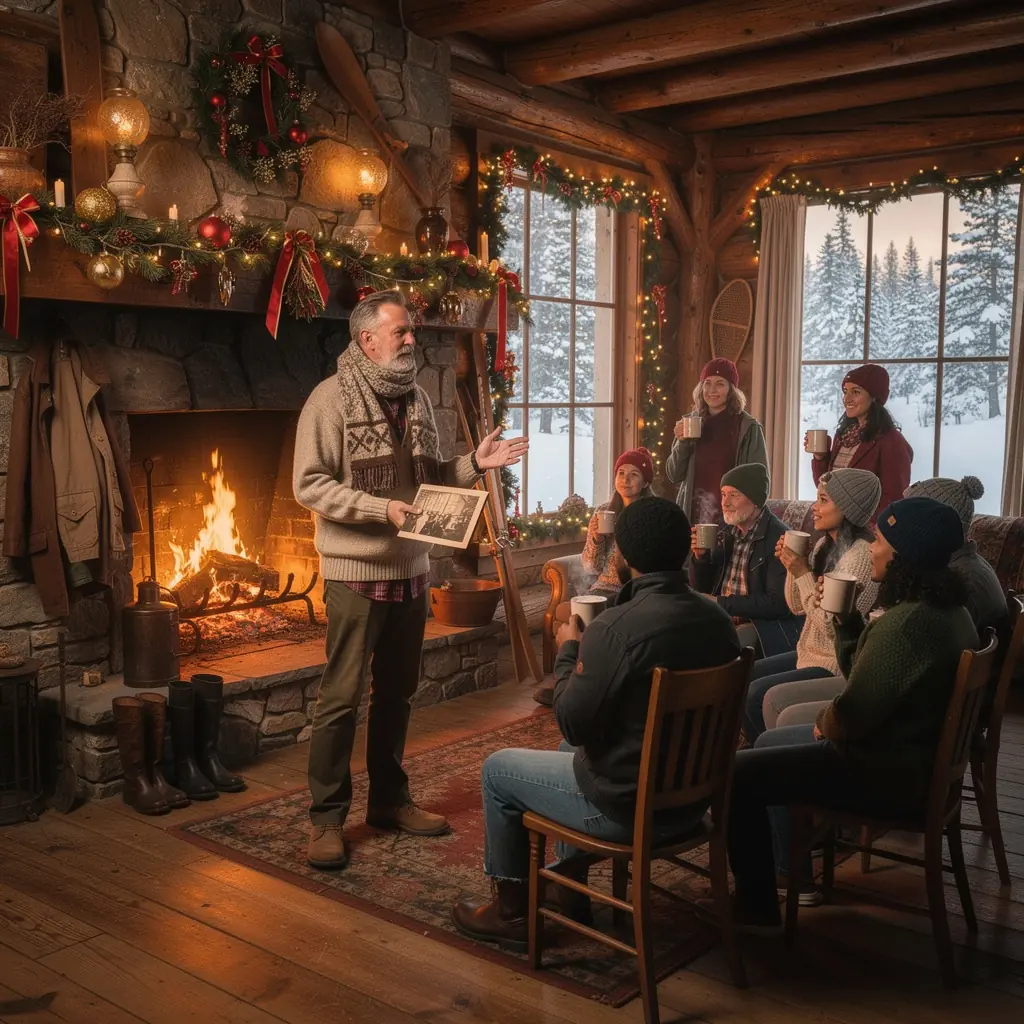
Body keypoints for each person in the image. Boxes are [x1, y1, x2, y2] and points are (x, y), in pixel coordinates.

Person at [293, 290, 529, 870]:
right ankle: (326, 819)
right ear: (367, 339)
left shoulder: (418, 396)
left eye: (410, 331)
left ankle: (388, 802)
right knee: (341, 698)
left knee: (397, 693)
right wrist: (382, 510)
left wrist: (476, 464)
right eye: (399, 331)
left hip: (411, 570)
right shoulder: (328, 400)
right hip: (356, 574)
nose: (410, 339)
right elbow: (309, 485)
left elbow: (430, 478)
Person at [451, 497, 742, 948]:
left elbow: (572, 721)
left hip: (630, 809)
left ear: (623, 554)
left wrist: (569, 650)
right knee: (570, 753)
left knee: (497, 770)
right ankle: (571, 892)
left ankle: (510, 915)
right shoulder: (718, 619)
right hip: (692, 805)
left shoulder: (615, 629)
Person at [721, 497, 978, 933]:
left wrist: (823, 722)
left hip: (885, 774)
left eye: (880, 541)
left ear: (901, 557)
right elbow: (865, 670)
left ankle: (759, 905)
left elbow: (849, 717)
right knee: (766, 744)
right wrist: (846, 621)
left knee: (740, 772)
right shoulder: (951, 614)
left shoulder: (906, 626)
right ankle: (788, 866)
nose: (872, 549)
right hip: (915, 762)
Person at [744, 468, 881, 741]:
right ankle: (761, 747)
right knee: (746, 677)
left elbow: (831, 628)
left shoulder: (860, 557)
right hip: (809, 652)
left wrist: (802, 572)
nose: (814, 508)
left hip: (834, 660)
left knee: (758, 694)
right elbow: (797, 606)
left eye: (823, 500)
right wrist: (795, 566)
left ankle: (772, 750)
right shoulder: (823, 546)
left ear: (847, 508)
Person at [690, 463, 801, 658]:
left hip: (758, 626)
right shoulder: (726, 531)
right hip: (722, 616)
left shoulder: (780, 538)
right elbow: (704, 588)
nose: (725, 503)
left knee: (705, 645)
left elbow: (777, 603)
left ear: (755, 500)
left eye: (734, 495)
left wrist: (721, 603)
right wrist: (701, 558)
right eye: (723, 494)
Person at [667, 357, 768, 527]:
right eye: (707, 383)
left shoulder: (747, 427)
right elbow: (674, 475)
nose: (712, 390)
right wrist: (682, 442)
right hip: (693, 516)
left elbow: (760, 481)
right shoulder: (690, 423)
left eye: (720, 384)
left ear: (731, 390)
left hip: (732, 520)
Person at [805, 363, 912, 520]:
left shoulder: (892, 441)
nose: (846, 399)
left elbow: (893, 499)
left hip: (865, 529)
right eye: (845, 391)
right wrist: (820, 457)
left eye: (855, 392)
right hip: (837, 526)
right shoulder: (843, 436)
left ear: (874, 396)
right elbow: (826, 490)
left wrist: (865, 528)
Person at [580, 446, 655, 598]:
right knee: (581, 609)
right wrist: (597, 539)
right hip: (606, 587)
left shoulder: (654, 512)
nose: (625, 480)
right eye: (621, 473)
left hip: (642, 588)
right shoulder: (603, 511)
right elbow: (591, 568)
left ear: (646, 483)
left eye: (634, 474)